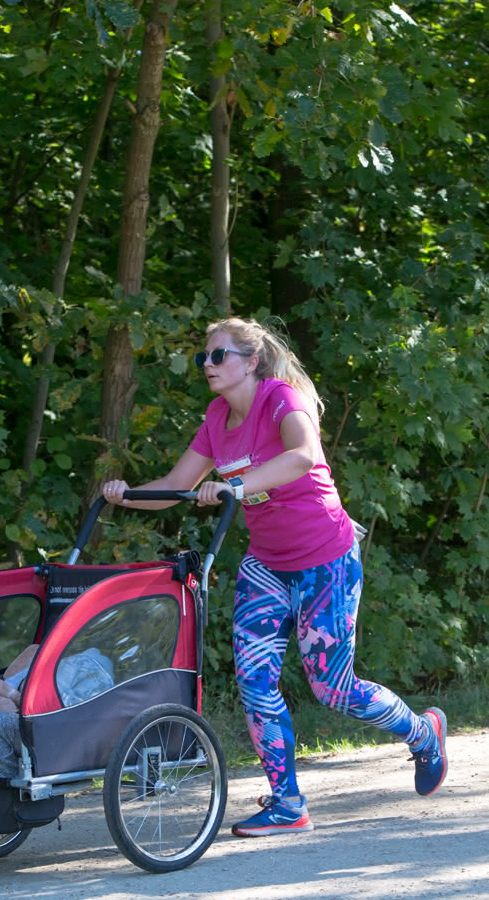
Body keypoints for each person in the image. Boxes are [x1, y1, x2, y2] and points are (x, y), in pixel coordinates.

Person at [102, 317, 448, 836]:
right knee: (255, 681)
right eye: (203, 357)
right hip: (266, 565)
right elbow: (177, 483)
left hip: (325, 559)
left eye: (218, 355)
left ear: (251, 362)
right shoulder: (216, 418)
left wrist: (236, 487)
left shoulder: (280, 399)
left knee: (333, 689)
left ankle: (422, 733)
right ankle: (288, 804)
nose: (207, 365)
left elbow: (303, 455)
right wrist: (127, 495)